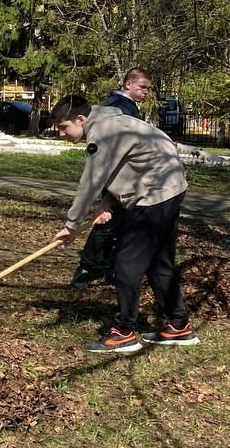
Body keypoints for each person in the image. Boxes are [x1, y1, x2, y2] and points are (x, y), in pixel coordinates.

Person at [52, 93, 198, 353]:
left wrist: (71, 225)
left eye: (64, 127)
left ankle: (124, 332)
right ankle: (179, 325)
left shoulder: (104, 132)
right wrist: (108, 201)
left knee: (126, 263)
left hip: (154, 194)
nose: (62, 134)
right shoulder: (117, 122)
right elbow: (128, 162)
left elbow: (91, 181)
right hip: (170, 189)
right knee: (158, 262)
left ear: (81, 119)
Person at [71, 67, 152, 290]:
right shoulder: (118, 107)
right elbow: (112, 148)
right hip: (115, 177)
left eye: (148, 88)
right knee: (105, 224)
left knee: (118, 225)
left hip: (123, 177)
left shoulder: (126, 106)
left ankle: (110, 269)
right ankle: (85, 271)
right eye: (142, 87)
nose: (146, 91)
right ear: (128, 85)